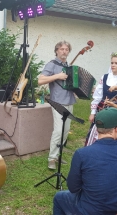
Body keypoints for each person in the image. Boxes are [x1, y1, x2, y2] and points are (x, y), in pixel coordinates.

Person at [53, 107, 117, 215]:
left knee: (59, 197)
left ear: (96, 129)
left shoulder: (82, 154)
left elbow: (73, 188)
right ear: (115, 129)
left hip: (90, 210)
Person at [38, 41, 76, 169]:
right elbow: (40, 80)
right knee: (58, 131)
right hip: (58, 102)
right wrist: (57, 76)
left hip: (70, 101)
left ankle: (58, 154)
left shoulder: (69, 66)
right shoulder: (52, 64)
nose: (64, 51)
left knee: (65, 132)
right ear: (57, 51)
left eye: (66, 49)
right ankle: (52, 158)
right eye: (62, 49)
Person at [85, 52, 117, 146]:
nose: (113, 65)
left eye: (116, 63)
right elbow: (97, 96)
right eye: (112, 63)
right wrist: (93, 113)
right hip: (102, 110)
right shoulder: (105, 77)